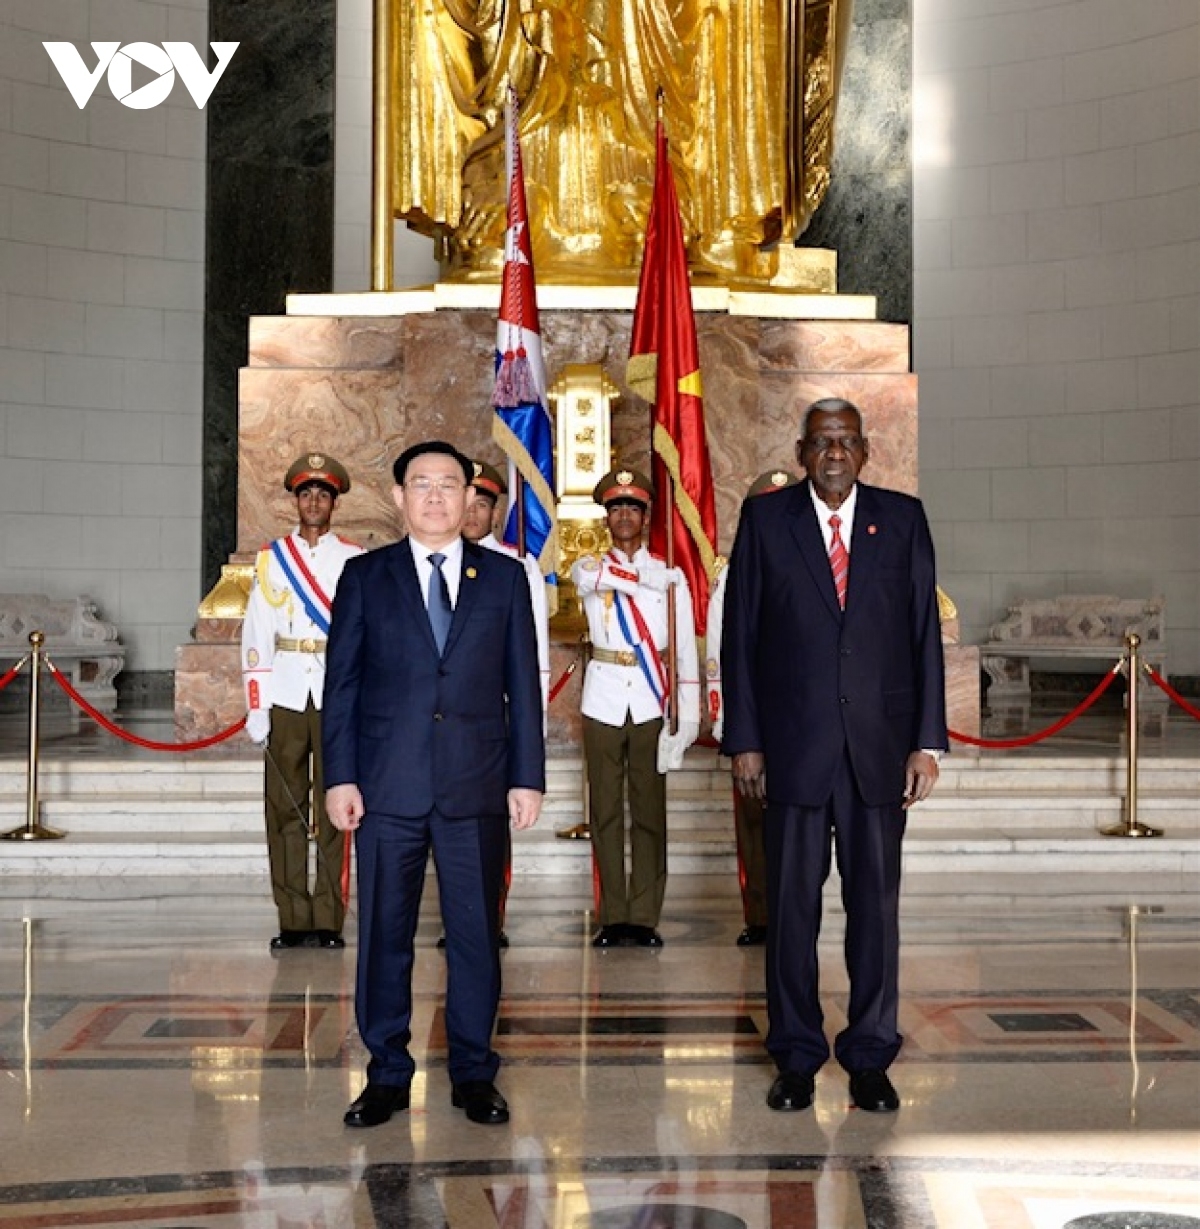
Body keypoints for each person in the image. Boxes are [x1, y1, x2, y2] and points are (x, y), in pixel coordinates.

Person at [721, 398, 947, 1115]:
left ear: (866, 450)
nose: (835, 453)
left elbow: (922, 636)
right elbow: (741, 636)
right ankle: (795, 1053)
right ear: (801, 450)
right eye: (822, 442)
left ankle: (872, 1052)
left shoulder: (903, 519)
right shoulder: (767, 520)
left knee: (875, 910)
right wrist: (746, 740)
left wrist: (927, 740)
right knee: (790, 910)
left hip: (879, 752)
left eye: (847, 441)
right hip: (792, 748)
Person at [323, 440, 544, 1129]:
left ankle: (475, 1072)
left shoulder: (504, 579)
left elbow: (523, 687)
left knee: (475, 936)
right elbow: (343, 686)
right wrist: (340, 777)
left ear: (470, 496)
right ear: (398, 496)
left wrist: (527, 777)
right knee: (384, 936)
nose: (437, 496)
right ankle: (387, 1071)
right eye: (422, 484)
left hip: (475, 785)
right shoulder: (365, 576)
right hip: (387, 786)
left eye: (450, 484)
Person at [571, 467, 700, 949]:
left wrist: (686, 717)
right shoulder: (588, 566)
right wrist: (648, 577)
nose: (624, 515)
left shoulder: (673, 580)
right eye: (616, 508)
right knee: (603, 811)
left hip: (651, 701)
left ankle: (643, 915)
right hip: (602, 700)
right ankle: (612, 913)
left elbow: (684, 649)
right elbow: (594, 578)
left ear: (646, 518)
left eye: (633, 508)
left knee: (648, 812)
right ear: (606, 518)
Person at [241, 452, 363, 952]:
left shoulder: (355, 559)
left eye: (323, 494)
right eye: (306, 493)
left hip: (337, 697)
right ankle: (293, 916)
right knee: (284, 809)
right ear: (295, 500)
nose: (314, 501)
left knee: (336, 809)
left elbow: (365, 636)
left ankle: (328, 917)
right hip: (288, 692)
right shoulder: (273, 559)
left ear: (334, 503)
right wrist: (257, 704)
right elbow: (256, 633)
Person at [706, 469, 799, 948]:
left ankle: (794, 913)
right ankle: (762, 914)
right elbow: (722, 654)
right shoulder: (733, 575)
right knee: (755, 823)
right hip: (756, 718)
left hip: (805, 723)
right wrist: (731, 727)